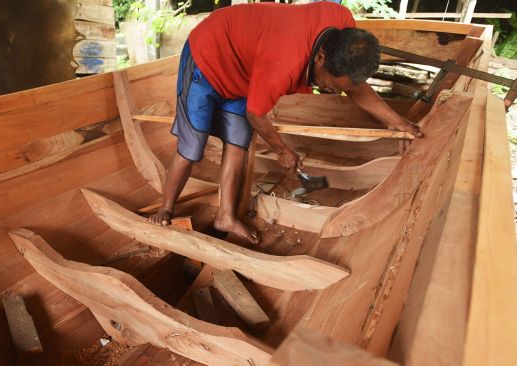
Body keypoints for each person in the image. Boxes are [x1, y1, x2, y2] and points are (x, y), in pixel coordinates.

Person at [148, 2, 422, 244]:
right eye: (328, 83)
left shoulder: (343, 26)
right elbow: (256, 113)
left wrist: (396, 121)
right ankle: (166, 207)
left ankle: (226, 217)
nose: (333, 91)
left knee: (238, 142)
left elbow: (353, 87)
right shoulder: (283, 64)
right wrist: (282, 149)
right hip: (207, 59)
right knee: (192, 146)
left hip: (244, 72)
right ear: (320, 57)